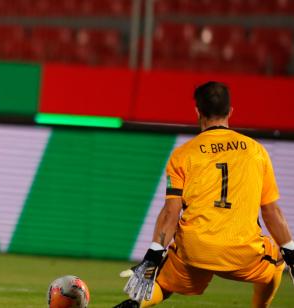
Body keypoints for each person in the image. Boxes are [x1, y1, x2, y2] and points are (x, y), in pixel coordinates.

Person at [114, 81, 294, 308]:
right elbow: (270, 211)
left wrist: (153, 254)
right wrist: (290, 251)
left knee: (164, 284)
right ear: (230, 111)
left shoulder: (182, 155)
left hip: (195, 250)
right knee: (276, 262)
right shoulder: (256, 151)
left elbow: (171, 212)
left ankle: (133, 305)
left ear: (197, 111)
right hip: (240, 252)